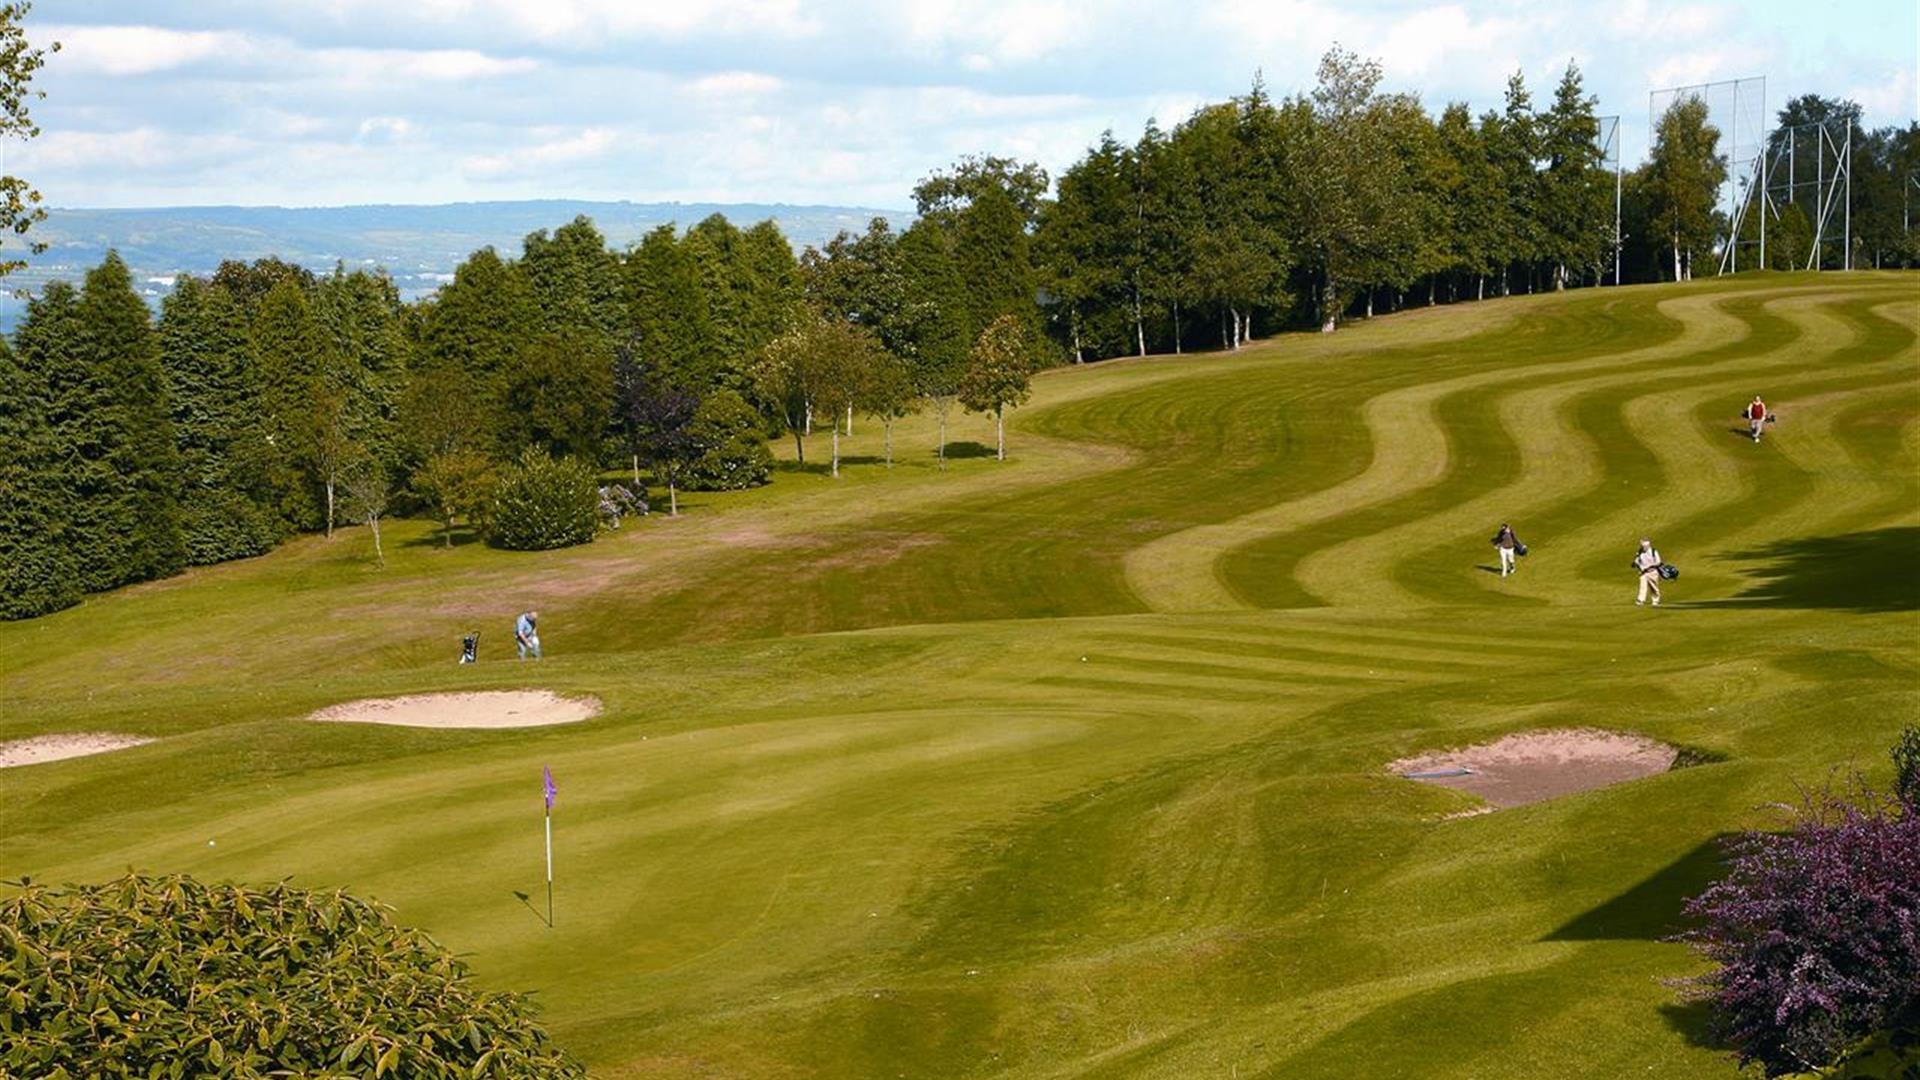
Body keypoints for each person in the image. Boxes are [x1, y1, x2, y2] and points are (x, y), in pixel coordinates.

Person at [1632, 538, 1663, 607]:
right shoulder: (1639, 552)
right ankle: (1640, 600)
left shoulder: (1653, 551)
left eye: (1645, 546)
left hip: (1653, 572)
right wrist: (1635, 563)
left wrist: (1649, 566)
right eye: (1643, 546)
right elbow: (1637, 561)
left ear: (1648, 545)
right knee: (1642, 586)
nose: (1644, 547)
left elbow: (1658, 562)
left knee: (1654, 587)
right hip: (1643, 572)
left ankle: (1655, 601)